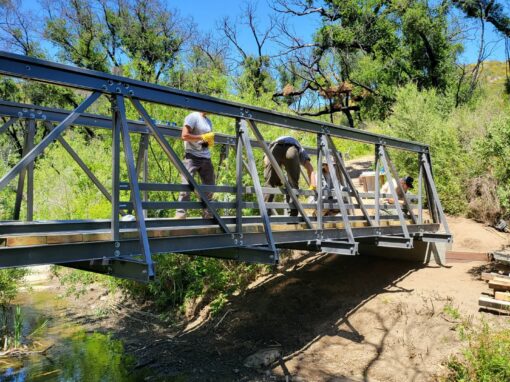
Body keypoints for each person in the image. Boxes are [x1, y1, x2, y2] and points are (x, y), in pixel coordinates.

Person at [175, 111, 216, 219]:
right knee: (186, 185)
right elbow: (184, 136)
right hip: (191, 156)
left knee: (210, 187)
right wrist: (202, 137)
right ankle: (181, 214)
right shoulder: (193, 117)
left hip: (206, 157)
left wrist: (207, 142)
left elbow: (203, 141)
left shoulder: (208, 121)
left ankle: (208, 214)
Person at [263, 136, 316, 216]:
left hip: (276, 147)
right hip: (292, 149)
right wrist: (313, 185)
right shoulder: (300, 148)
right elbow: (310, 168)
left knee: (270, 183)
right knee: (293, 185)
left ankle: (265, 213)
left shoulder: (273, 143)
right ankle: (293, 215)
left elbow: (266, 161)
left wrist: (275, 178)